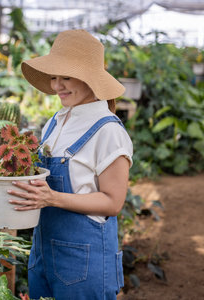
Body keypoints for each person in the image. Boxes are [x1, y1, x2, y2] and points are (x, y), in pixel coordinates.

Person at [7, 29, 133, 299]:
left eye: (66, 77)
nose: (56, 86)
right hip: (43, 254)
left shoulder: (108, 131)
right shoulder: (56, 121)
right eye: (54, 77)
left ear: (91, 79)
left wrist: (51, 197)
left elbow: (113, 202)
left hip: (84, 263)